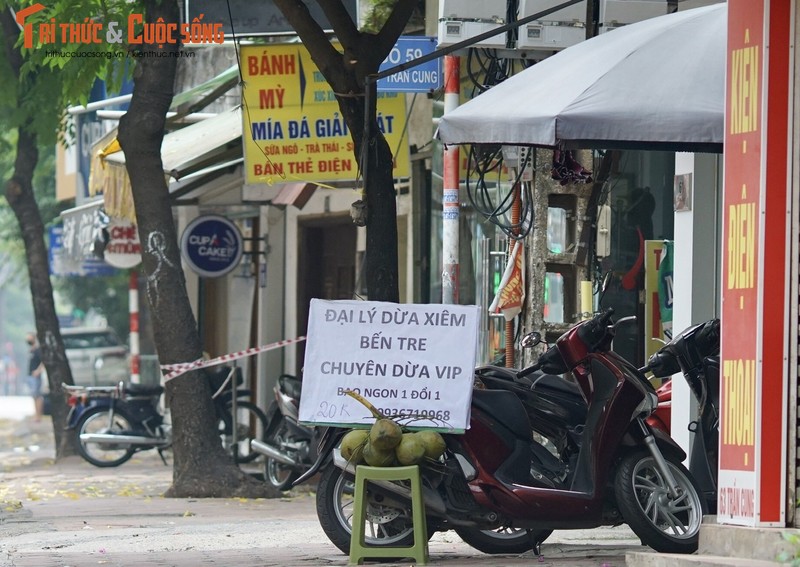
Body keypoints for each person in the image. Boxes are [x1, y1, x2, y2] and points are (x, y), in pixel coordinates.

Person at [26, 333, 44, 421]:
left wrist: (38, 371)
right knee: (34, 396)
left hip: (35, 376)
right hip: (30, 376)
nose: (27, 339)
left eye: (29, 337)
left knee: (37, 396)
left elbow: (43, 361)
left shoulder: (38, 350)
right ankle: (36, 414)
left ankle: (39, 416)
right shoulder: (31, 350)